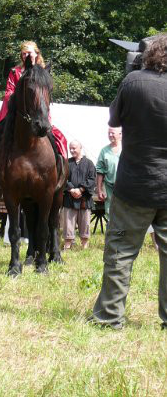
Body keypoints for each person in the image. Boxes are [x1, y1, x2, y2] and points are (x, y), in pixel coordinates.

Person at [90, 35, 167, 330]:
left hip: (135, 184)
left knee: (120, 252)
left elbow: (114, 120)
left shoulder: (134, 81)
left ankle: (110, 316)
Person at [0, 40, 68, 187]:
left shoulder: (43, 72)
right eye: (24, 53)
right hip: (17, 114)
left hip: (39, 114)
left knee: (58, 139)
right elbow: (8, 93)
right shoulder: (15, 72)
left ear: (36, 54)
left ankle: (61, 174)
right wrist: (19, 97)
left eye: (29, 53)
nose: (26, 55)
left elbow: (45, 94)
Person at [62, 140, 96, 250]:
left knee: (85, 222)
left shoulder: (89, 163)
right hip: (69, 197)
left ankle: (84, 245)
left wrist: (81, 189)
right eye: (70, 148)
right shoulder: (67, 163)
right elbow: (63, 178)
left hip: (84, 198)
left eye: (74, 148)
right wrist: (71, 189)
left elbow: (92, 179)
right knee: (68, 222)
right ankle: (67, 245)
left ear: (80, 148)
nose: (72, 150)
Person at [96, 127, 122, 218]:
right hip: (110, 188)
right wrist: (99, 189)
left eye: (112, 133)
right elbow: (100, 171)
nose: (110, 135)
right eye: (109, 133)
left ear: (120, 134)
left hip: (125, 188)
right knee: (110, 213)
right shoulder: (104, 151)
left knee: (125, 214)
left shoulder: (127, 149)